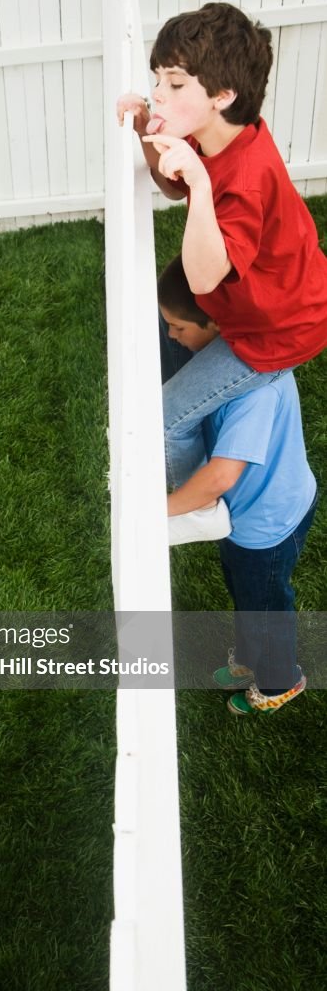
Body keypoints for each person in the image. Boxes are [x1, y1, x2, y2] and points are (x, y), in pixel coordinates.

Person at [117, 1, 327, 499]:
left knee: (167, 417)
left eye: (174, 83)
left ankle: (191, 501)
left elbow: (204, 277)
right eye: (157, 80)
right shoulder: (219, 135)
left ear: (223, 94)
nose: (158, 94)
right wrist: (150, 129)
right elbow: (172, 188)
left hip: (277, 330)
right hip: (267, 297)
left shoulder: (243, 181)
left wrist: (201, 184)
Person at [159, 255, 318, 715]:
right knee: (245, 592)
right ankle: (251, 657)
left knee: (265, 604)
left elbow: (223, 476)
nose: (171, 337)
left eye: (179, 328)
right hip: (252, 514)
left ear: (214, 324)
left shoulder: (254, 393)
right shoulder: (229, 371)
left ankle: (280, 680)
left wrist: (161, 509)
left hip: (267, 524)